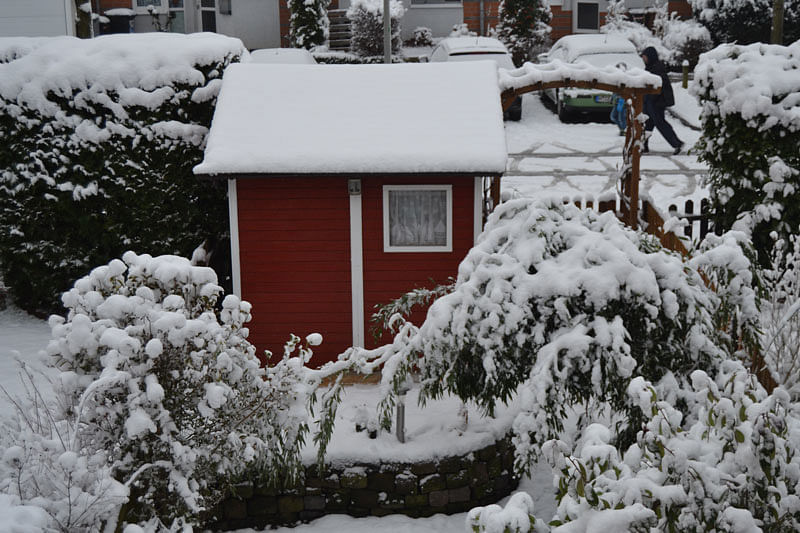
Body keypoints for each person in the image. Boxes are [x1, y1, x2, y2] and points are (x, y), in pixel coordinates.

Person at [640, 46, 684, 155]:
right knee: (646, 124)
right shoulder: (650, 67)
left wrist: (650, 98)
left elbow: (659, 87)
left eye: (645, 57)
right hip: (649, 101)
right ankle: (643, 145)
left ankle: (677, 143)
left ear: (650, 57)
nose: (643, 59)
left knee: (660, 124)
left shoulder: (657, 68)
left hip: (656, 102)